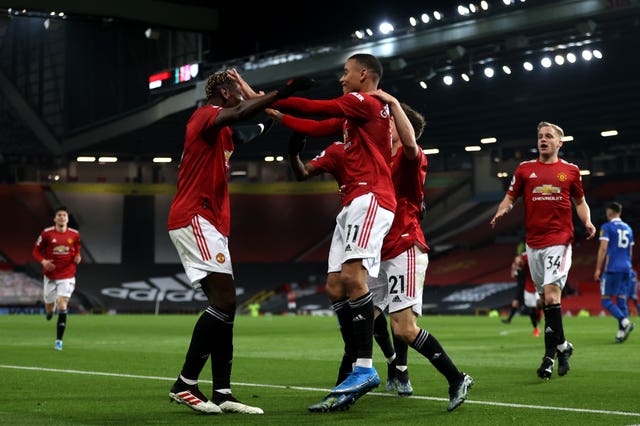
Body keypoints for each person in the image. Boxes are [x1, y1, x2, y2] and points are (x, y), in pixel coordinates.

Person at [166, 68, 312, 415]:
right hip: (195, 216)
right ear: (225, 94)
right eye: (237, 91)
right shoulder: (204, 117)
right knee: (225, 300)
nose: (241, 96)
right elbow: (244, 112)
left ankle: (223, 392)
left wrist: (275, 112)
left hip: (213, 222)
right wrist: (282, 91)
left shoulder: (224, 136)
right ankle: (185, 383)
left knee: (226, 309)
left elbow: (254, 124)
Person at [269, 53, 396, 409]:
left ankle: (365, 367)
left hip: (370, 196)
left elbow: (315, 106)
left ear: (364, 74)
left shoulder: (365, 101)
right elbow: (313, 126)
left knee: (355, 277)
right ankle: (356, 352)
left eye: (346, 72)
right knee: (335, 284)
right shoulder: (352, 123)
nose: (342, 78)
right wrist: (275, 111)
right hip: (352, 203)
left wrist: (273, 95)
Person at [285, 128, 410, 397]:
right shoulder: (337, 151)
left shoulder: (380, 151)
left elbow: (406, 176)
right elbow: (303, 173)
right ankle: (363, 354)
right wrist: (293, 154)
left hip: (378, 217)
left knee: (362, 288)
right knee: (335, 287)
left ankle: (374, 364)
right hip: (350, 216)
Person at [490, 121, 596, 380]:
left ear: (559, 143)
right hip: (533, 244)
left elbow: (580, 202)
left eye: (549, 136)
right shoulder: (525, 169)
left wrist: (587, 221)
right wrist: (502, 210)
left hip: (559, 240)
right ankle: (561, 348)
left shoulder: (570, 171)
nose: (543, 139)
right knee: (545, 303)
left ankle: (549, 357)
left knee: (550, 298)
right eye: (540, 136)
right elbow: (511, 196)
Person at [32, 206, 82, 351]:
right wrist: (44, 262)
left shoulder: (75, 235)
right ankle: (49, 312)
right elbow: (35, 251)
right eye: (59, 215)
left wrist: (78, 258)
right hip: (50, 276)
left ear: (67, 218)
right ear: (55, 218)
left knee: (62, 304)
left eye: (64, 215)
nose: (61, 217)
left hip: (67, 275)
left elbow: (77, 252)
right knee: (49, 308)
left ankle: (58, 341)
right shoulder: (47, 233)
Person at [594, 202, 635, 343]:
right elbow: (630, 251)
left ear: (610, 213)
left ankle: (625, 322)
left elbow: (603, 249)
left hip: (612, 268)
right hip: (626, 268)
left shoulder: (607, 227)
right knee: (621, 299)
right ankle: (621, 333)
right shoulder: (629, 228)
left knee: (605, 299)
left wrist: (598, 268)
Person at [508, 253, 543, 337]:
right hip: (528, 286)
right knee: (530, 309)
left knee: (540, 302)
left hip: (539, 283)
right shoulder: (524, 257)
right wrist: (516, 267)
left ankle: (540, 315)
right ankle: (536, 328)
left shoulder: (539, 252)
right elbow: (517, 271)